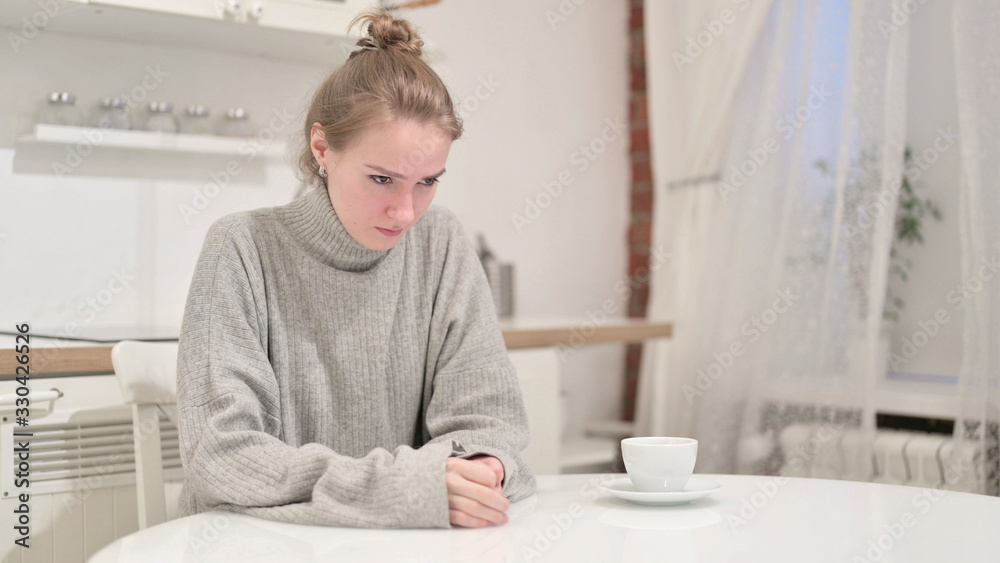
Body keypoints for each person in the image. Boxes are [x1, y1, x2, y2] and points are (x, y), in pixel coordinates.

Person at [175, 7, 536, 529]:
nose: (406, 212)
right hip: (260, 547)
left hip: (402, 546)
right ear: (322, 148)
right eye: (383, 179)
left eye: (428, 182)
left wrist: (482, 468)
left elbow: (491, 422)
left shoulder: (442, 243)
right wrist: (403, 489)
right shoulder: (242, 246)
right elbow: (222, 455)